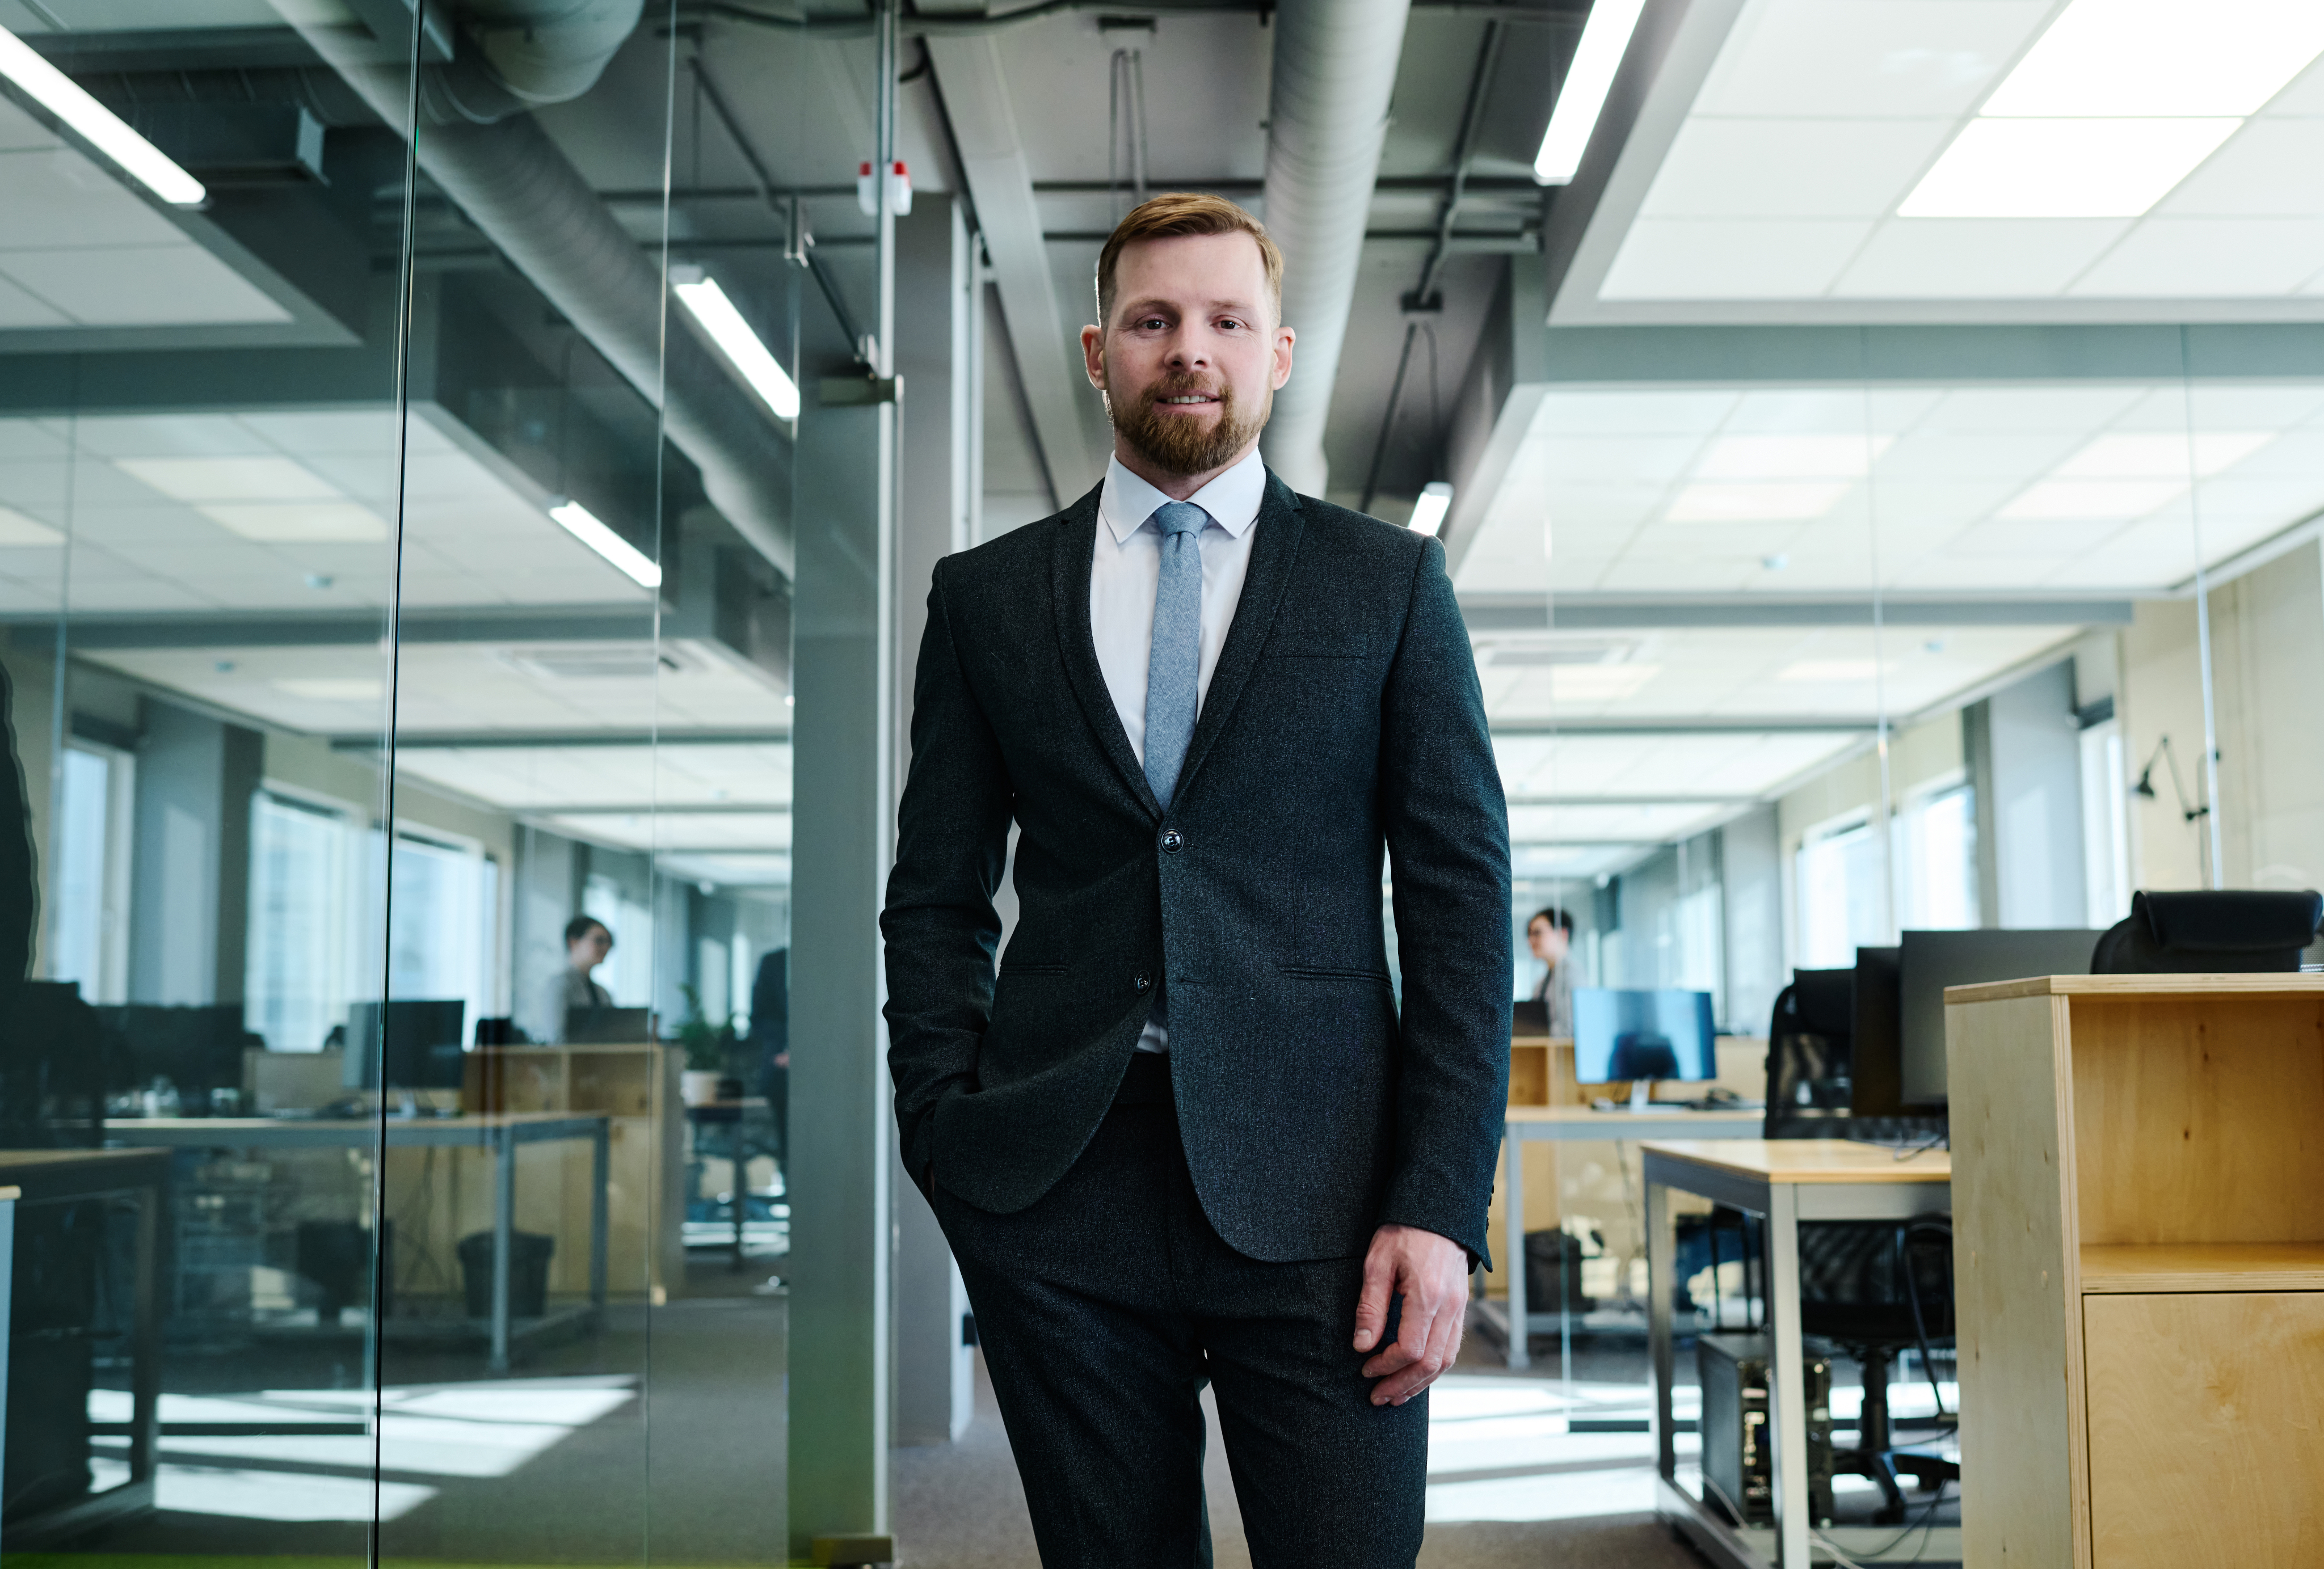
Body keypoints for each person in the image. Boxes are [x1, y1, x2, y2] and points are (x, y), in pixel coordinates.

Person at [882, 193, 1510, 1569]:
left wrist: (1439, 1203)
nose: (1190, 349)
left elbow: (1460, 907)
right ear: (1098, 353)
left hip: (1329, 1196)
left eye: (1227, 320)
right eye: (1154, 320)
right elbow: (933, 894)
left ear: (1276, 354)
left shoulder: (1387, 584)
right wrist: (942, 1130)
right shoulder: (987, 599)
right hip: (1062, 1186)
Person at [546, 915, 613, 1043]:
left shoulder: (603, 993)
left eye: (609, 942)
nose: (606, 947)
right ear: (574, 943)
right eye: (599, 940)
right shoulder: (559, 986)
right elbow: (557, 1039)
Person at [1526, 906, 1577, 1036]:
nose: (1530, 941)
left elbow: (1569, 1029)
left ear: (1563, 935)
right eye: (1529, 934)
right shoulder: (1541, 983)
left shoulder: (1573, 975)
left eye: (1537, 933)